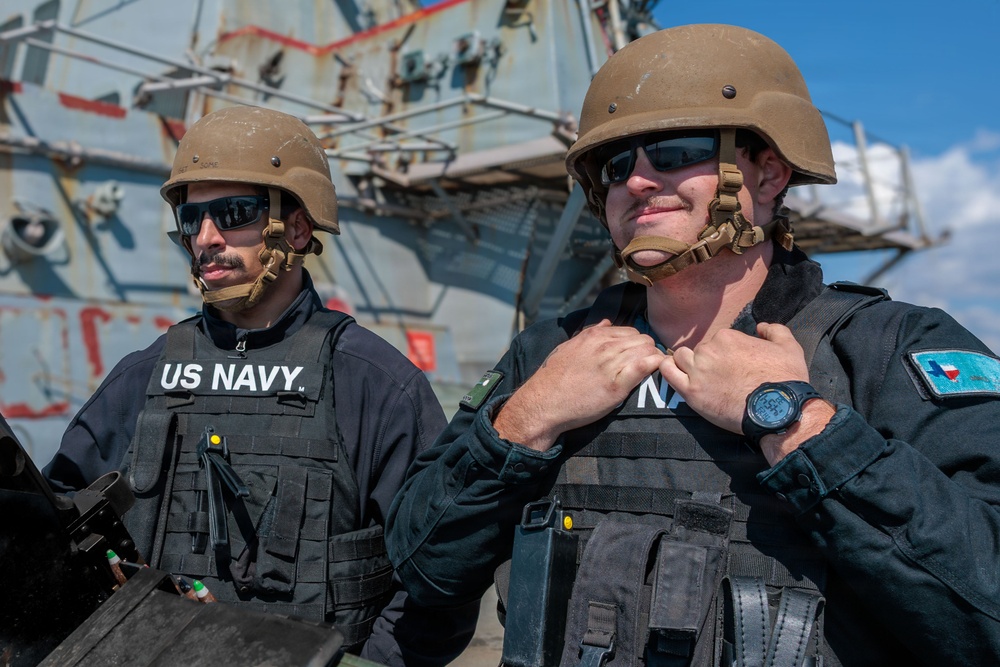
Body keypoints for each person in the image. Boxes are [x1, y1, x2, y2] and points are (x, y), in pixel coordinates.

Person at [386, 24, 1000, 666]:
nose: (637, 182)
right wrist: (522, 424)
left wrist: (797, 423)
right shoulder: (549, 352)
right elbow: (424, 570)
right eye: (615, 166)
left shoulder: (886, 349)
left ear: (769, 173)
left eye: (675, 151)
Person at [44, 105, 477, 666]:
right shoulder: (141, 377)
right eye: (192, 217)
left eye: (233, 213)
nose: (206, 237)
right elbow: (57, 533)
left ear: (296, 228)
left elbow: (440, 573)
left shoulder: (375, 386)